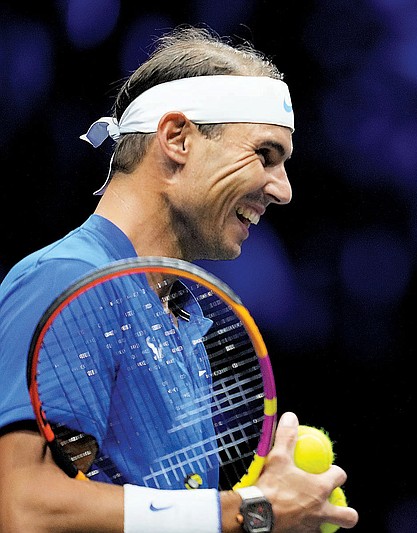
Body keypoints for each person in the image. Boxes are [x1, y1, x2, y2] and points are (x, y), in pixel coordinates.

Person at [0, 26, 358, 533]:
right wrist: (251, 511)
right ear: (177, 138)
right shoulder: (69, 280)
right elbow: (22, 506)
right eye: (265, 155)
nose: (283, 190)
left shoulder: (177, 312)